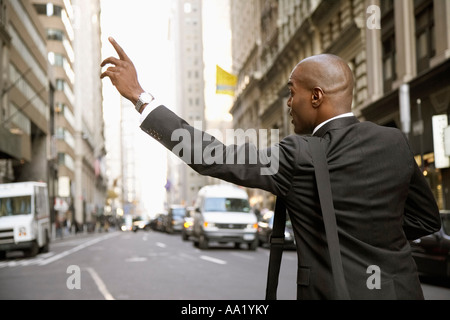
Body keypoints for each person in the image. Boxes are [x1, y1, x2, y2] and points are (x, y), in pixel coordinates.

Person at [101, 37, 441, 300]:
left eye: (292, 92)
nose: (289, 103)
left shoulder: (298, 154)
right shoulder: (395, 142)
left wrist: (141, 98)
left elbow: (211, 156)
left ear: (317, 96)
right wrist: (374, 237)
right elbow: (427, 220)